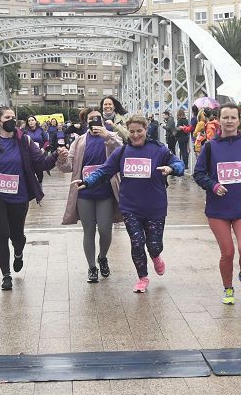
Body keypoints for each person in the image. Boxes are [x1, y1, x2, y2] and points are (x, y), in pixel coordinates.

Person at [74, 114, 185, 293]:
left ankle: (156, 255)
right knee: (137, 242)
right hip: (130, 207)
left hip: (154, 207)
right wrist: (87, 181)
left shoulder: (159, 150)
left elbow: (179, 163)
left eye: (139, 131)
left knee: (154, 245)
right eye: (132, 132)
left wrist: (171, 168)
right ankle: (142, 277)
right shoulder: (122, 152)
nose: (135, 135)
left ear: (146, 129)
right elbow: (104, 171)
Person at [0, 106, 62, 290]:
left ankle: (18, 252)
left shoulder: (24, 141)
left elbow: (40, 162)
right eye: (7, 117)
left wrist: (56, 155)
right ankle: (6, 275)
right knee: (2, 233)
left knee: (17, 235)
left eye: (13, 117)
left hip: (19, 194)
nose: (11, 120)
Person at [192, 103, 241, 304]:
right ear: (219, 119)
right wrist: (213, 185)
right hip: (218, 210)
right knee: (228, 252)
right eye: (226, 117)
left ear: (239, 120)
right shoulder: (210, 147)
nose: (230, 121)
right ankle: (228, 288)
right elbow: (198, 174)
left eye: (233, 117)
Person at [59, 107, 123, 282]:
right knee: (88, 231)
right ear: (86, 121)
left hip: (106, 191)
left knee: (105, 229)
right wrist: (62, 158)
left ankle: (102, 257)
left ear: (102, 120)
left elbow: (121, 150)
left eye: (98, 118)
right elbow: (68, 167)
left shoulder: (110, 137)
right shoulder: (79, 141)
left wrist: (107, 135)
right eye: (91, 118)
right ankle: (91, 268)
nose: (95, 121)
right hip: (84, 191)